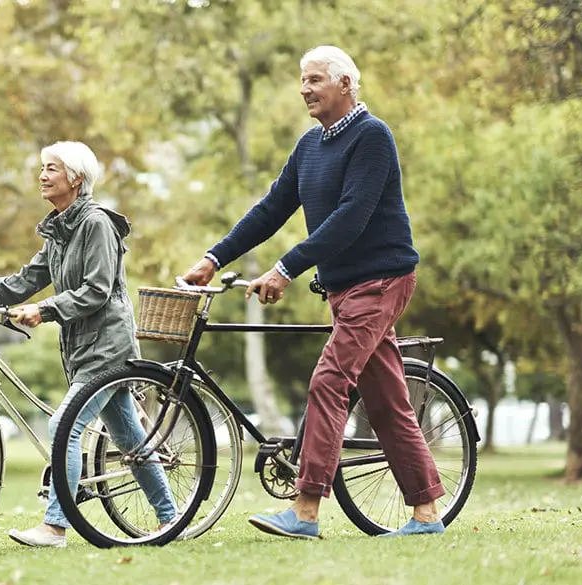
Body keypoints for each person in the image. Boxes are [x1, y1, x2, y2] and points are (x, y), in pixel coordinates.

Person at [181, 46, 445, 539]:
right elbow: (271, 208)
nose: (304, 88)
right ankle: (428, 514)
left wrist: (286, 268)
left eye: (315, 79)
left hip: (381, 281)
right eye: (302, 80)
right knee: (387, 402)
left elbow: (351, 217)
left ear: (346, 84)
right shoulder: (310, 145)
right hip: (346, 289)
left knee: (328, 382)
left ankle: (304, 510)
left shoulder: (372, 137)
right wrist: (214, 257)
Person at [0, 141, 177, 548]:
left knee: (63, 426)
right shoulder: (59, 230)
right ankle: (172, 519)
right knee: (130, 440)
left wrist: (45, 310)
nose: (42, 175)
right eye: (42, 168)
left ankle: (55, 526)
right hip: (84, 346)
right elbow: (26, 280)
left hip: (109, 346)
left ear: (76, 178)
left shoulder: (96, 224)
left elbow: (98, 290)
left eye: (51, 168)